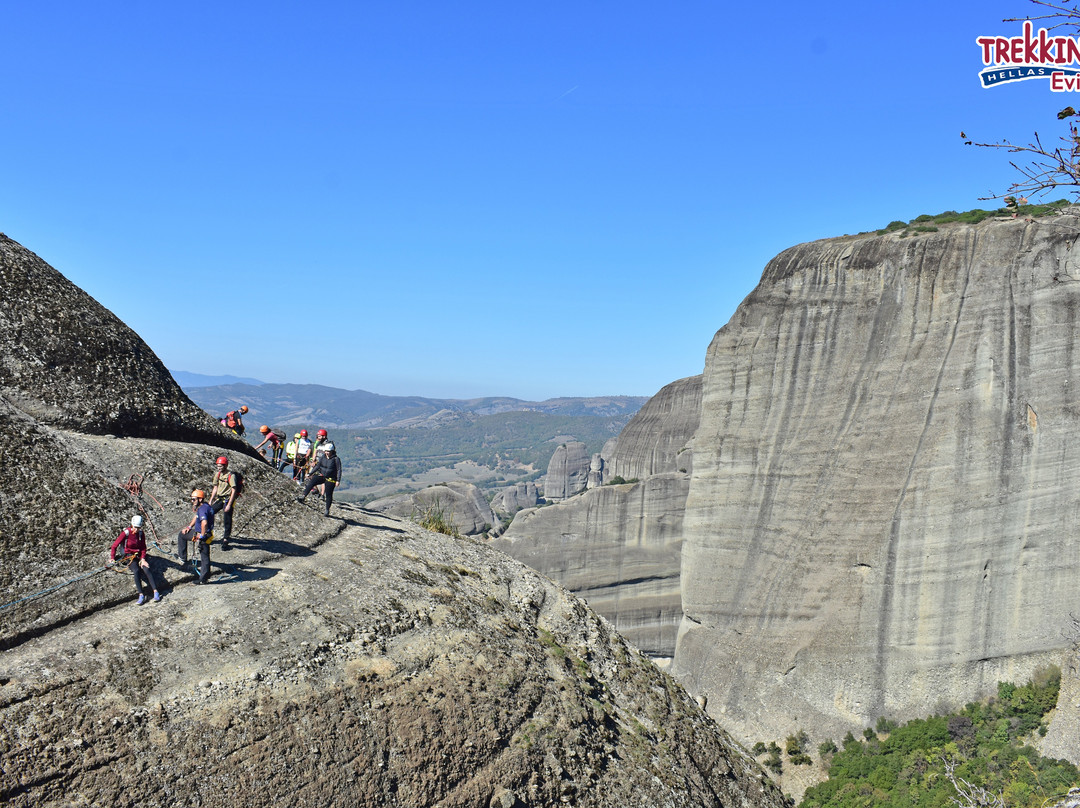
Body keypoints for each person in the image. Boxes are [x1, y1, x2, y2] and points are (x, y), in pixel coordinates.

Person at [110, 514, 161, 604]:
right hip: (129, 555)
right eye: (135, 527)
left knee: (146, 569)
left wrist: (143, 558)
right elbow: (114, 546)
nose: (136, 529)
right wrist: (112, 558)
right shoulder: (126, 533)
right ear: (132, 525)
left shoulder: (141, 533)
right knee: (136, 571)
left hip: (139, 555)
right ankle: (141, 594)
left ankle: (155, 592)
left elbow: (143, 547)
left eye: (138, 527)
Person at [178, 489, 214, 584]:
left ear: (200, 499)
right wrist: (189, 527)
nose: (192, 501)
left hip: (203, 534)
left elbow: (204, 523)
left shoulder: (202, 509)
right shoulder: (205, 506)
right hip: (204, 533)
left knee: (204, 556)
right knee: (182, 534)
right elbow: (196, 517)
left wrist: (201, 536)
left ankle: (203, 579)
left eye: (194, 499)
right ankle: (204, 576)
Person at [298, 443, 342, 517]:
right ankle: (303, 496)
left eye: (328, 451)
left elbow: (339, 470)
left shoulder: (336, 459)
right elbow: (318, 466)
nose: (327, 453)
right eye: (326, 451)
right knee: (312, 481)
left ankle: (327, 510)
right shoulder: (323, 457)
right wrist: (310, 473)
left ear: (332, 451)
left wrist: (338, 480)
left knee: (328, 494)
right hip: (322, 476)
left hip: (331, 479)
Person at [208, 455, 242, 550]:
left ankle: (226, 539)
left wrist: (229, 505)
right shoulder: (218, 475)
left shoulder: (231, 476)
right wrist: (211, 500)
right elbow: (215, 488)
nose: (219, 468)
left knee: (227, 519)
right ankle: (209, 534)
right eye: (218, 466)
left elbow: (234, 490)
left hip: (228, 499)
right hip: (220, 498)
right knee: (209, 513)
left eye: (221, 466)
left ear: (225, 465)